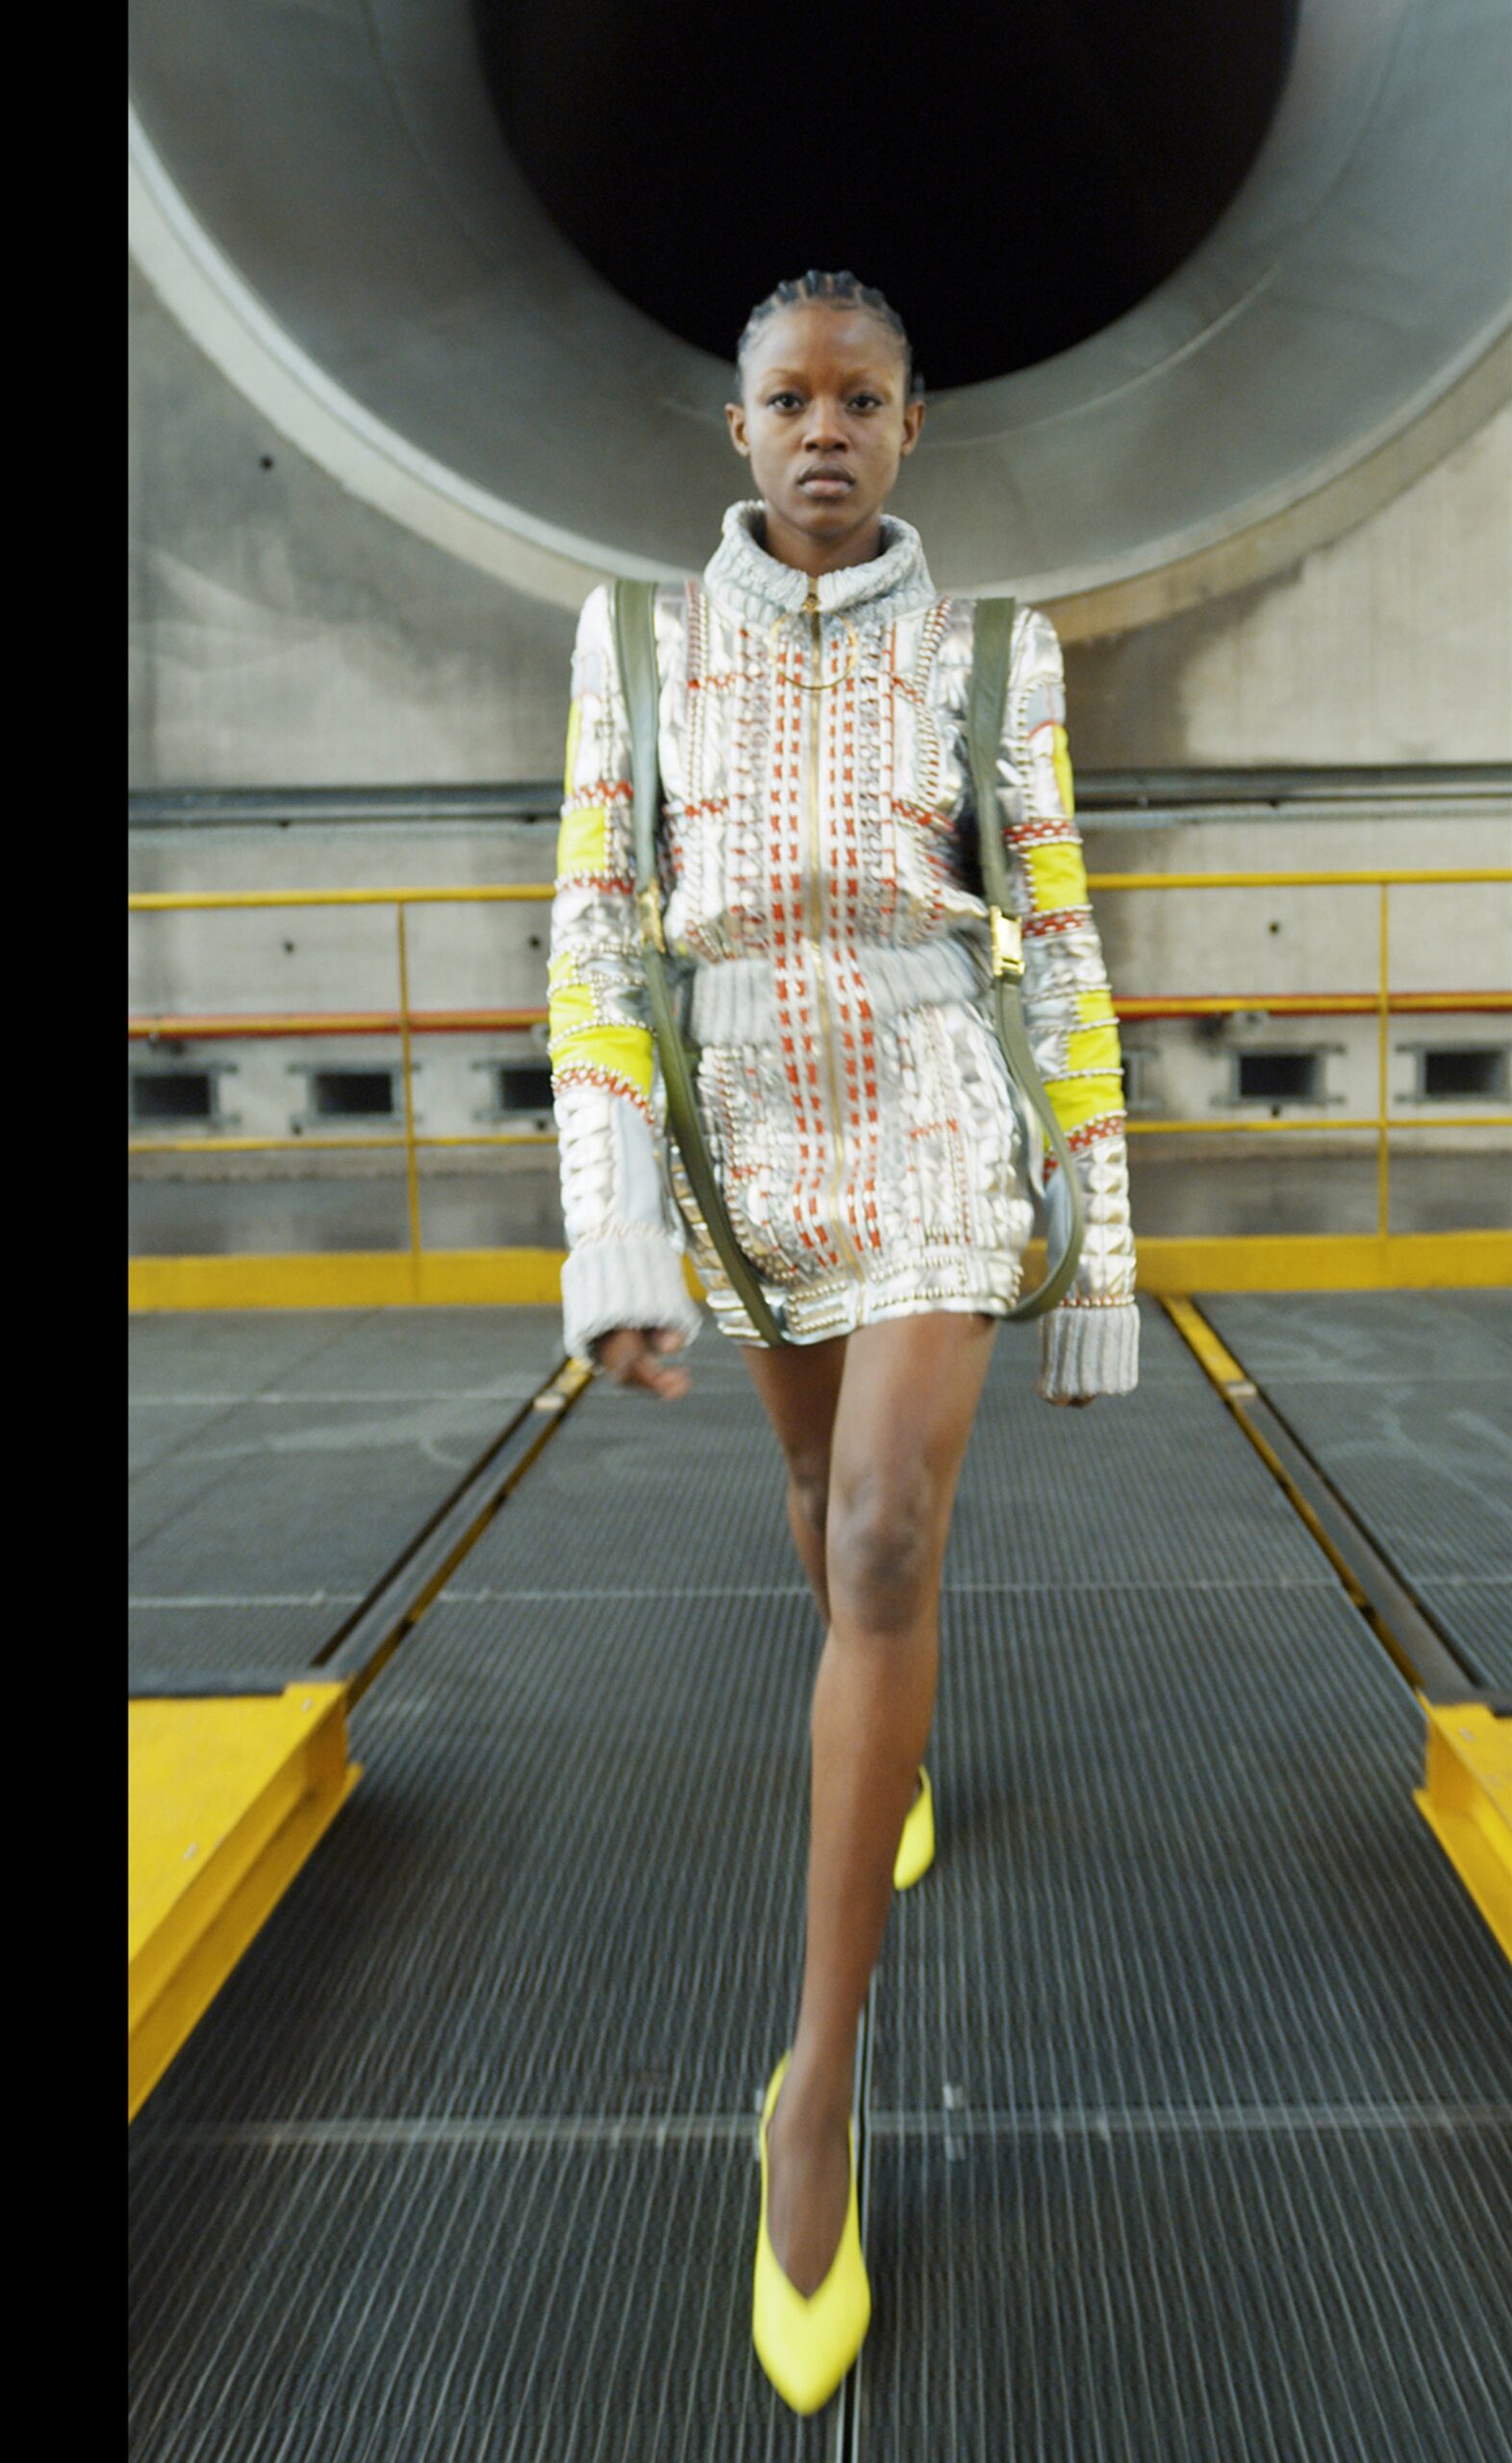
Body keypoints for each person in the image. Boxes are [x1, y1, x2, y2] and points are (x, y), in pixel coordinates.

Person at [546, 269, 1138, 2414]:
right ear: (734, 428)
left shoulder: (996, 651)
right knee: (814, 1500)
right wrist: (607, 1227)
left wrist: (1101, 1250)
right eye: (784, 397)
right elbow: (591, 935)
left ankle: (812, 2086)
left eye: (859, 398)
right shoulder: (628, 643)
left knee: (885, 1529)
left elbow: (1054, 930)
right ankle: (868, 1763)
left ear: (910, 427)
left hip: (926, 1097)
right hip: (734, 1116)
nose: (821, 427)